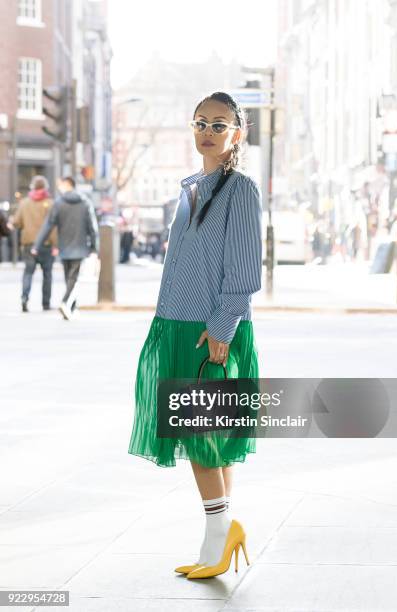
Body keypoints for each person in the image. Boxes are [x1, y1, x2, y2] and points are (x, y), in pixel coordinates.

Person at [128, 92, 263, 579]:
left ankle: (219, 537)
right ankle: (222, 537)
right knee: (212, 440)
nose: (208, 131)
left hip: (210, 332)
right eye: (201, 122)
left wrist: (223, 327)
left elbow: (244, 269)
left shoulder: (240, 190)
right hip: (178, 325)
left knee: (202, 439)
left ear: (237, 133)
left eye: (220, 124)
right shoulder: (192, 189)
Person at [31, 176, 99, 321]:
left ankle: (70, 306)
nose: (59, 187)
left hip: (65, 247)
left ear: (68, 184)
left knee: (69, 278)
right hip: (80, 246)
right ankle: (67, 303)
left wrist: (37, 245)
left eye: (60, 184)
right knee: (73, 279)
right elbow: (93, 227)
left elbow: (48, 225)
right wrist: (94, 246)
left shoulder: (59, 203)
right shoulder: (85, 202)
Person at [10, 175, 58, 312]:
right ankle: (46, 303)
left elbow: (16, 222)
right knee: (47, 274)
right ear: (45, 187)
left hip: (29, 244)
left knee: (28, 273)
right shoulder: (50, 203)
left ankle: (24, 299)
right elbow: (54, 227)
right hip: (46, 245)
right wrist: (56, 245)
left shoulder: (24, 203)